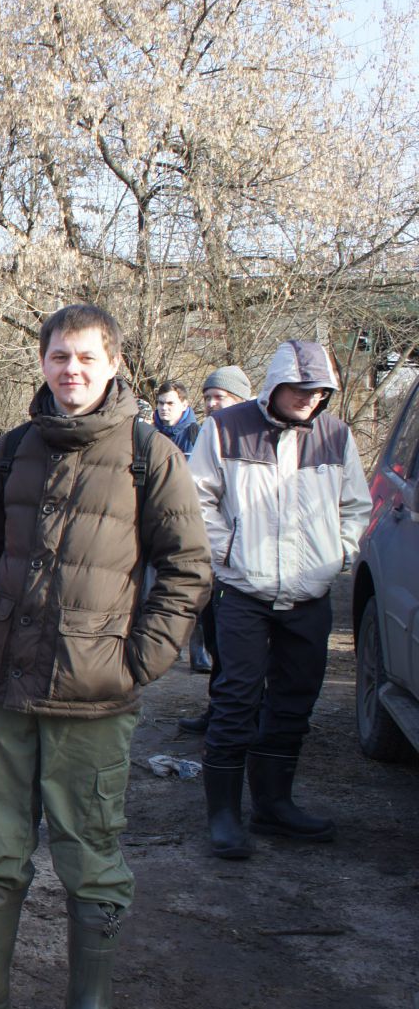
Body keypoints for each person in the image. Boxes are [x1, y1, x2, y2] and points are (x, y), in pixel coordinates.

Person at [0, 305, 210, 1009]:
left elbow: (187, 569)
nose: (69, 370)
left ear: (112, 365)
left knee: (90, 853)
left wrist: (140, 661)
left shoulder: (151, 454)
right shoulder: (14, 450)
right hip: (5, 683)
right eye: (57, 357)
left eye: (84, 357)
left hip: (95, 696)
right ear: (41, 363)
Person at [189, 341, 371, 859]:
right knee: (237, 697)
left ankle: (274, 803)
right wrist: (226, 551)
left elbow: (356, 505)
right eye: (301, 389)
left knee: (294, 699)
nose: (311, 399)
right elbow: (196, 497)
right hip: (244, 590)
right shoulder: (224, 429)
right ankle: (223, 814)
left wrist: (335, 553)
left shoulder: (336, 435)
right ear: (273, 386)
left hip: (309, 595)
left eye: (320, 392)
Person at [178, 365, 255, 722]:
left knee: (238, 645)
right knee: (213, 634)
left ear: (241, 397)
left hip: (245, 562)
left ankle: (243, 715)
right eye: (207, 397)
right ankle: (218, 710)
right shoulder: (212, 432)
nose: (210, 403)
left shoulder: (254, 436)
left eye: (218, 397)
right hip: (211, 556)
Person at [152, 380, 201, 456]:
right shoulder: (149, 432)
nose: (164, 408)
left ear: (184, 405)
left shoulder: (197, 434)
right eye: (161, 403)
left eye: (170, 403)